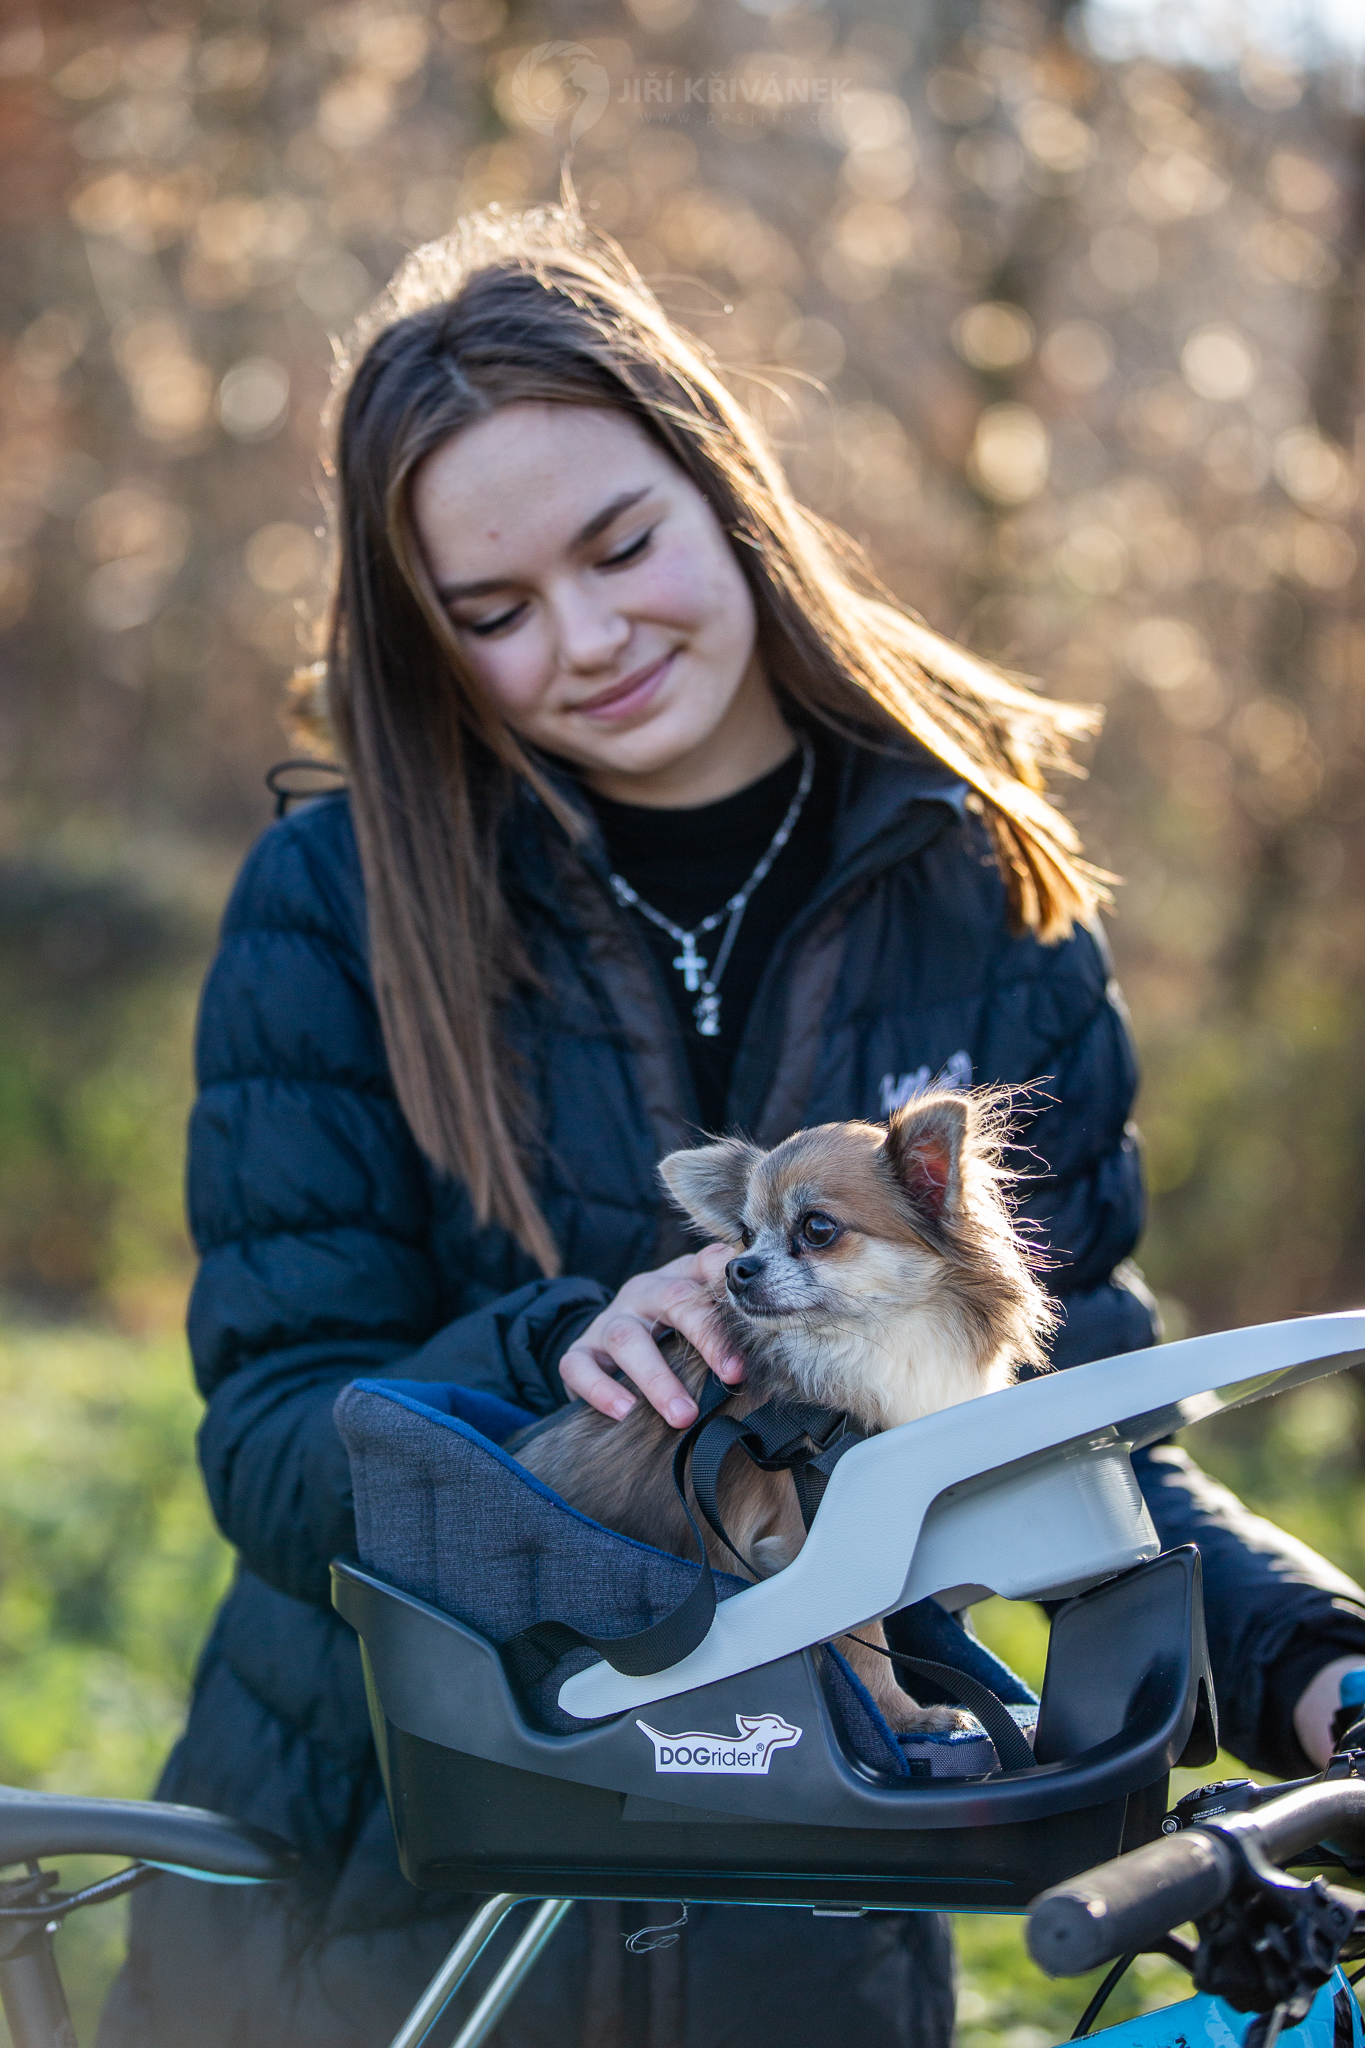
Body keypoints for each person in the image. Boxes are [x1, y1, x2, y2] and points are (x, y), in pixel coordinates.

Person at [98, 203, 1365, 2048]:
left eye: (624, 545)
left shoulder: (983, 894)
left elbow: (1068, 1425)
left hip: (809, 1927)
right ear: (427, 642)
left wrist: (1315, 1660)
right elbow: (278, 1448)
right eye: (493, 613)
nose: (590, 638)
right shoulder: (334, 903)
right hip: (374, 1918)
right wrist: (554, 1350)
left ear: (725, 493)